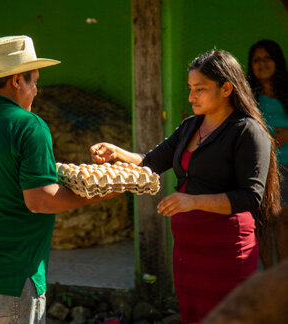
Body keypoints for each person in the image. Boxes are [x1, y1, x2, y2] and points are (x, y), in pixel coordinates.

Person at [90, 50, 281, 324]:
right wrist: (118, 153)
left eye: (200, 89)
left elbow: (250, 197)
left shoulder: (247, 131)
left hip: (227, 248)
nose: (191, 97)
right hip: (188, 249)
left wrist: (193, 201)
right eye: (190, 89)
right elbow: (151, 162)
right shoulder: (191, 126)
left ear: (226, 88)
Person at [0, 35, 114, 323]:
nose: (36, 90)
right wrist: (100, 194)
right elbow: (40, 201)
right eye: (34, 81)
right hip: (11, 274)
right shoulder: (29, 126)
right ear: (17, 80)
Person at [247, 39, 288, 267]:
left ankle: (282, 279)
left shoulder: (287, 92)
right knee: (263, 223)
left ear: (277, 61)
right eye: (256, 60)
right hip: (263, 167)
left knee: (284, 220)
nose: (262, 64)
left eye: (267, 58)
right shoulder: (249, 96)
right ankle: (269, 275)